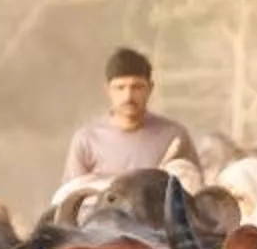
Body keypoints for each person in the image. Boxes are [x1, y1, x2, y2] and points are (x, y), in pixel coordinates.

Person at [61, 46, 199, 186]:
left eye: (137, 87)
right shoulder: (87, 140)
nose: (128, 96)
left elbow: (194, 195)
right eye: (120, 88)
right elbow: (71, 198)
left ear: (150, 88)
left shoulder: (174, 137)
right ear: (108, 90)